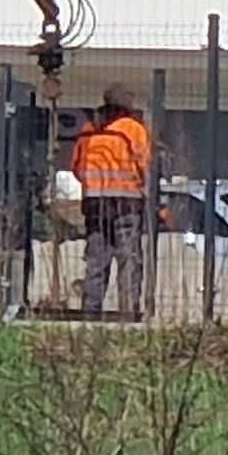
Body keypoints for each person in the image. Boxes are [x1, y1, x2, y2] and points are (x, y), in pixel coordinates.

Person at [71, 86, 153, 318]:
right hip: (127, 202)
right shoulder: (135, 129)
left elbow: (76, 167)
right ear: (126, 105)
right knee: (129, 258)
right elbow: (145, 164)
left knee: (97, 258)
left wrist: (94, 184)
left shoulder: (88, 130)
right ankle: (129, 311)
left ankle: (90, 311)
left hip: (95, 202)